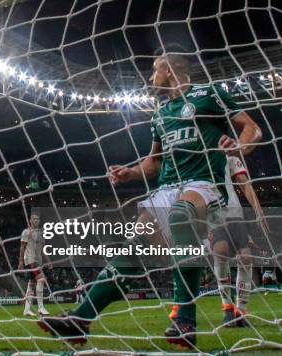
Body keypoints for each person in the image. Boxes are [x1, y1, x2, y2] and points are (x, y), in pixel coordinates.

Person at [38, 44, 261, 349]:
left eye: (155, 68)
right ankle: (80, 319)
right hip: (167, 187)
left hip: (203, 182)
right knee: (133, 249)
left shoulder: (208, 94)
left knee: (181, 215)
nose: (152, 75)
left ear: (169, 69)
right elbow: (154, 162)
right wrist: (129, 173)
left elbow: (252, 128)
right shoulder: (160, 114)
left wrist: (238, 146)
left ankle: (185, 320)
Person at [206, 155, 267, 327]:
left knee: (246, 258)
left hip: (235, 213)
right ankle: (227, 308)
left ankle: (240, 312)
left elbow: (245, 184)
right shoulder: (195, 157)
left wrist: (258, 210)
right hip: (211, 216)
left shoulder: (229, 158)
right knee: (221, 252)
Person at [18, 213, 51, 316]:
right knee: (41, 279)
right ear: (30, 220)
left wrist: (48, 260)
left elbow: (42, 250)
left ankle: (27, 309)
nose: (36, 220)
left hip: (38, 261)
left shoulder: (41, 234)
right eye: (34, 219)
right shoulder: (26, 232)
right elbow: (22, 247)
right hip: (30, 259)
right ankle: (41, 308)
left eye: (38, 219)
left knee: (31, 285)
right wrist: (20, 261)